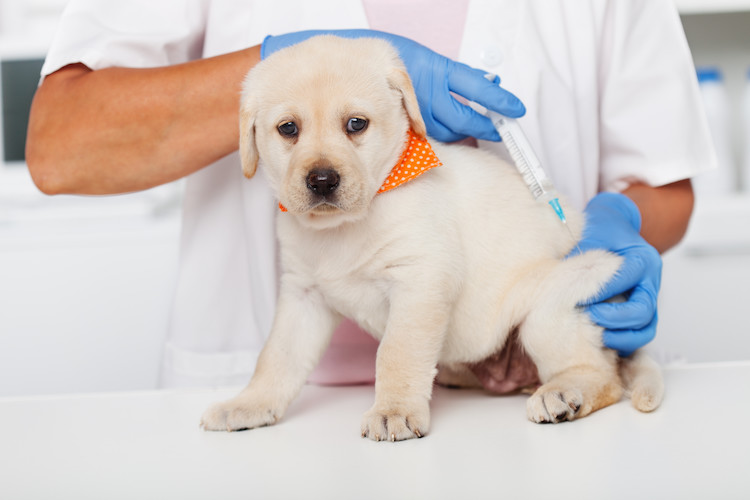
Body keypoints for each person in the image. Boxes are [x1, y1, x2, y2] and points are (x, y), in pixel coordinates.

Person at [26, 0, 713, 391]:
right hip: (279, 403)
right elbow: (63, 142)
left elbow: (663, 181)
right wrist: (284, 69)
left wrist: (616, 227)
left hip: (511, 382)